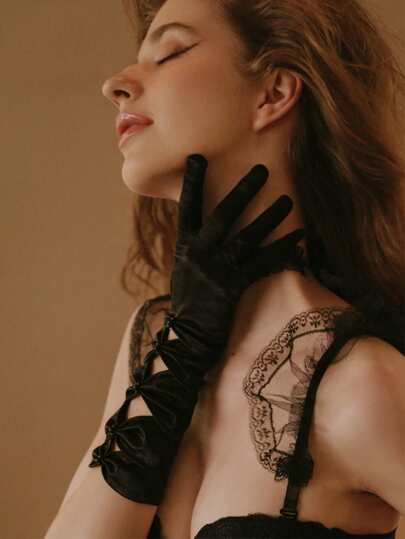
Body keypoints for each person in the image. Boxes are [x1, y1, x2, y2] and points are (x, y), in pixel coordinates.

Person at [45, 0, 405, 538]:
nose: (115, 84)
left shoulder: (363, 382)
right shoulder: (155, 340)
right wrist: (182, 348)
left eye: (171, 52)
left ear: (273, 93)